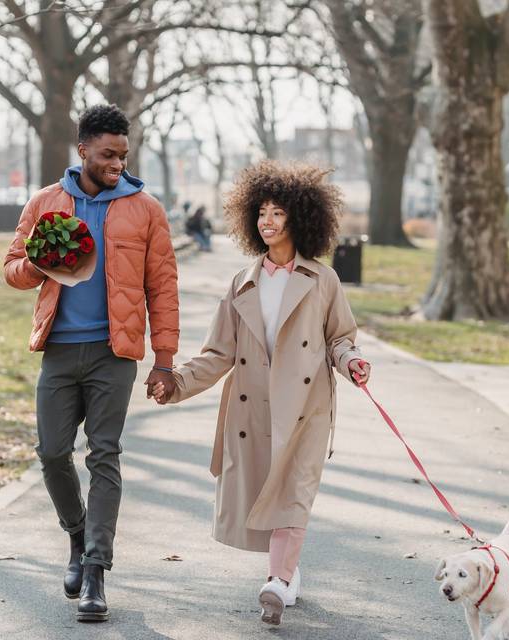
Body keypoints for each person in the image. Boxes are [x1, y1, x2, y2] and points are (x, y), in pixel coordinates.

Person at [151, 160, 371, 626]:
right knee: (268, 497)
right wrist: (176, 383)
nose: (268, 221)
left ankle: (275, 580)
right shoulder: (241, 283)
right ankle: (287, 572)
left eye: (278, 213)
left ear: (300, 218)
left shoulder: (322, 281)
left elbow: (339, 338)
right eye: (262, 213)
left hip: (306, 408)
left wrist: (350, 360)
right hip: (253, 408)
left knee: (294, 491)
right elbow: (217, 353)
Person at [3, 104, 180, 623]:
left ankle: (97, 571)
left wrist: (164, 360)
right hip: (58, 349)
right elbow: (12, 269)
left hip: (114, 353)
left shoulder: (146, 209)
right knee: (52, 452)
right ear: (82, 150)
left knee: (104, 454)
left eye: (123, 156)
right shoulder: (45, 202)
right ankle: (77, 535)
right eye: (107, 154)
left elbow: (163, 286)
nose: (117, 165)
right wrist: (39, 261)